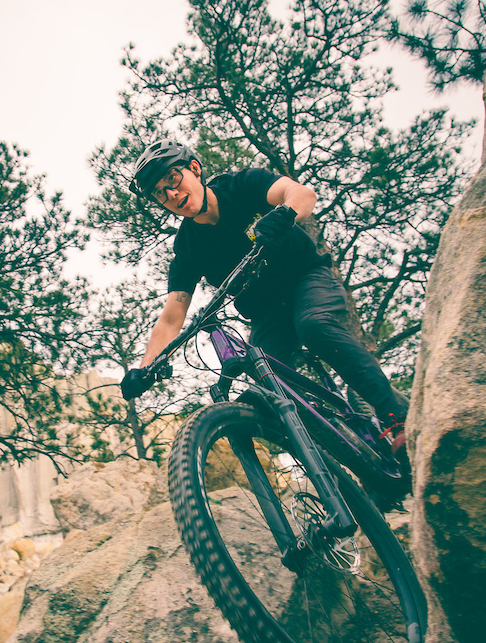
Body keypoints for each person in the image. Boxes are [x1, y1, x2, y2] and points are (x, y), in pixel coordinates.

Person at [120, 139, 407, 447]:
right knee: (266, 385)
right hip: (267, 314)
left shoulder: (241, 186)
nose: (172, 195)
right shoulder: (188, 247)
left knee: (313, 325)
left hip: (307, 278)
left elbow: (301, 194)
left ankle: (395, 415)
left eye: (172, 180)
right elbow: (171, 317)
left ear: (194, 169)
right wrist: (145, 368)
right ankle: (345, 462)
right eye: (160, 193)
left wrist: (285, 214)